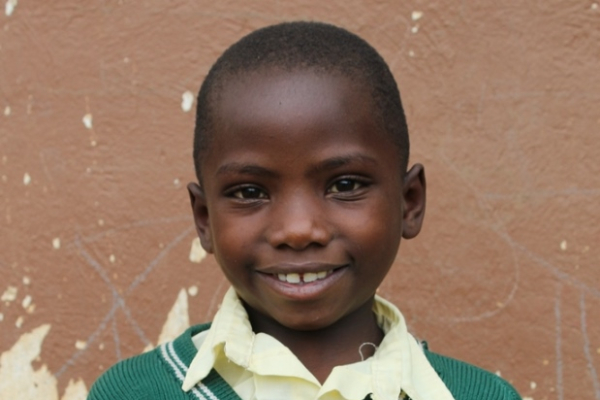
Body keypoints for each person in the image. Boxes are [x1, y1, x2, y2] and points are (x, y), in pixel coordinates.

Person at [88, 21, 522, 400]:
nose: (298, 230)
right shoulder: (131, 393)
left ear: (409, 202)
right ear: (204, 219)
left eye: (345, 185)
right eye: (249, 192)